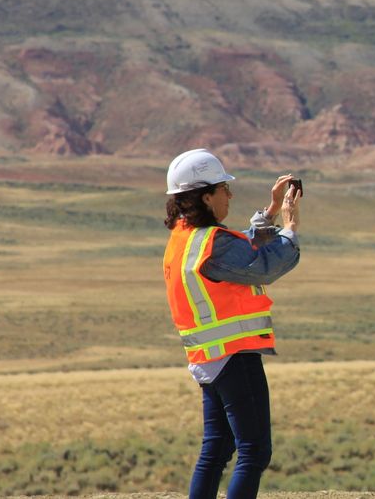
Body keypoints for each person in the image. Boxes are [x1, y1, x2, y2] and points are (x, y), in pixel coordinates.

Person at [161, 148, 302, 499]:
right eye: (224, 188)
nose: (230, 195)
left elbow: (237, 250)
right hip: (234, 356)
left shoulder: (186, 238)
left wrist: (268, 213)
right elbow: (261, 264)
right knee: (254, 451)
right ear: (205, 197)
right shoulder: (212, 244)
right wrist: (290, 227)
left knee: (217, 450)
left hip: (210, 358)